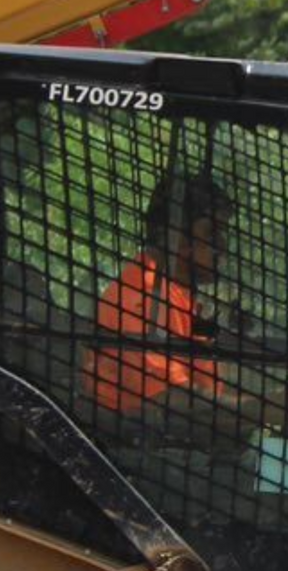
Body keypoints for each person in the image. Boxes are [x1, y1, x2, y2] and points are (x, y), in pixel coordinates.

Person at [83, 174, 232, 420]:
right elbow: (168, 401)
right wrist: (263, 409)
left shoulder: (177, 296)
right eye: (212, 233)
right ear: (173, 236)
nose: (223, 246)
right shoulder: (141, 298)